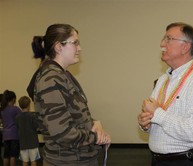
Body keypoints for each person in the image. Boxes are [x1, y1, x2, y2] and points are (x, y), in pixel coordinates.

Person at [137, 22, 193, 166]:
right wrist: (147, 123)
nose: (161, 44)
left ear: (185, 47)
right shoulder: (163, 80)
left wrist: (157, 113)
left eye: (168, 39)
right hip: (158, 161)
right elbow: (160, 118)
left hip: (187, 161)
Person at [27, 23, 111, 166]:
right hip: (67, 160)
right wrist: (96, 136)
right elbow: (62, 132)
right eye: (75, 43)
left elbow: (75, 115)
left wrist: (94, 123)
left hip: (78, 158)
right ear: (59, 46)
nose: (80, 48)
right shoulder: (51, 79)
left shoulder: (62, 75)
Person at [16, 96, 40, 166]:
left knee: (24, 162)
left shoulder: (17, 117)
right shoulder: (32, 116)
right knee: (33, 161)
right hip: (33, 143)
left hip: (23, 143)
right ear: (29, 105)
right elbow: (36, 126)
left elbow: (17, 126)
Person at [0, 90, 22, 166]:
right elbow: (22, 118)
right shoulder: (15, 109)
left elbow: (2, 122)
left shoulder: (2, 110)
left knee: (6, 155)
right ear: (13, 99)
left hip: (5, 136)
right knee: (13, 156)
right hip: (14, 135)